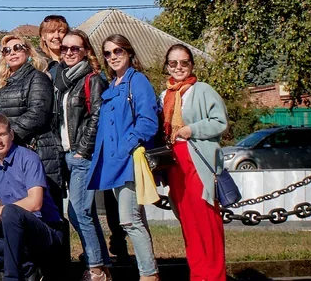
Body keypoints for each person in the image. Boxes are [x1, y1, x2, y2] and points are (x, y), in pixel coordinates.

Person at [0, 114, 66, 281]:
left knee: (10, 212)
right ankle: (28, 268)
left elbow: (35, 203)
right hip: (15, 237)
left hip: (45, 232)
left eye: (2, 134)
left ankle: (11, 277)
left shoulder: (29, 158)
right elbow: (2, 205)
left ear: (12, 135)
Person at [88, 35, 160, 281]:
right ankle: (148, 271)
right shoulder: (113, 85)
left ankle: (149, 275)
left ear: (129, 52)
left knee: (129, 221)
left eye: (118, 50)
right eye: (107, 53)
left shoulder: (137, 81)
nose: (113, 56)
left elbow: (148, 122)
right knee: (135, 220)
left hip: (129, 162)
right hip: (113, 164)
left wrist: (125, 147)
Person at [161, 45, 228, 281]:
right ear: (166, 66)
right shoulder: (166, 94)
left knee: (207, 221)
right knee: (188, 222)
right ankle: (198, 274)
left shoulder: (202, 90)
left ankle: (215, 275)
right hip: (175, 165)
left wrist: (192, 129)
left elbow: (220, 122)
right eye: (173, 63)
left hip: (199, 160)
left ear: (191, 65)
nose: (178, 68)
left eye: (184, 63)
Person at [52, 30, 110, 281]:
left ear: (85, 50)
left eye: (75, 48)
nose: (69, 53)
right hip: (66, 152)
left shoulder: (93, 79)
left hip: (81, 154)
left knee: (79, 212)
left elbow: (97, 116)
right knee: (84, 212)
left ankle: (96, 268)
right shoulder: (64, 81)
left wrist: (82, 150)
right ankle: (102, 262)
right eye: (65, 48)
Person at [0, 34, 64, 215]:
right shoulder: (4, 85)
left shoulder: (38, 77)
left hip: (40, 150)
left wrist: (7, 137)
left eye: (18, 48)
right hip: (17, 152)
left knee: (49, 212)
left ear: (28, 51)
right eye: (7, 50)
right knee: (25, 213)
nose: (12, 53)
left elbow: (37, 113)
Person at [38, 15, 69, 82]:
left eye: (61, 31)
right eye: (51, 32)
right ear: (43, 36)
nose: (57, 36)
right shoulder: (36, 63)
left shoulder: (74, 60)